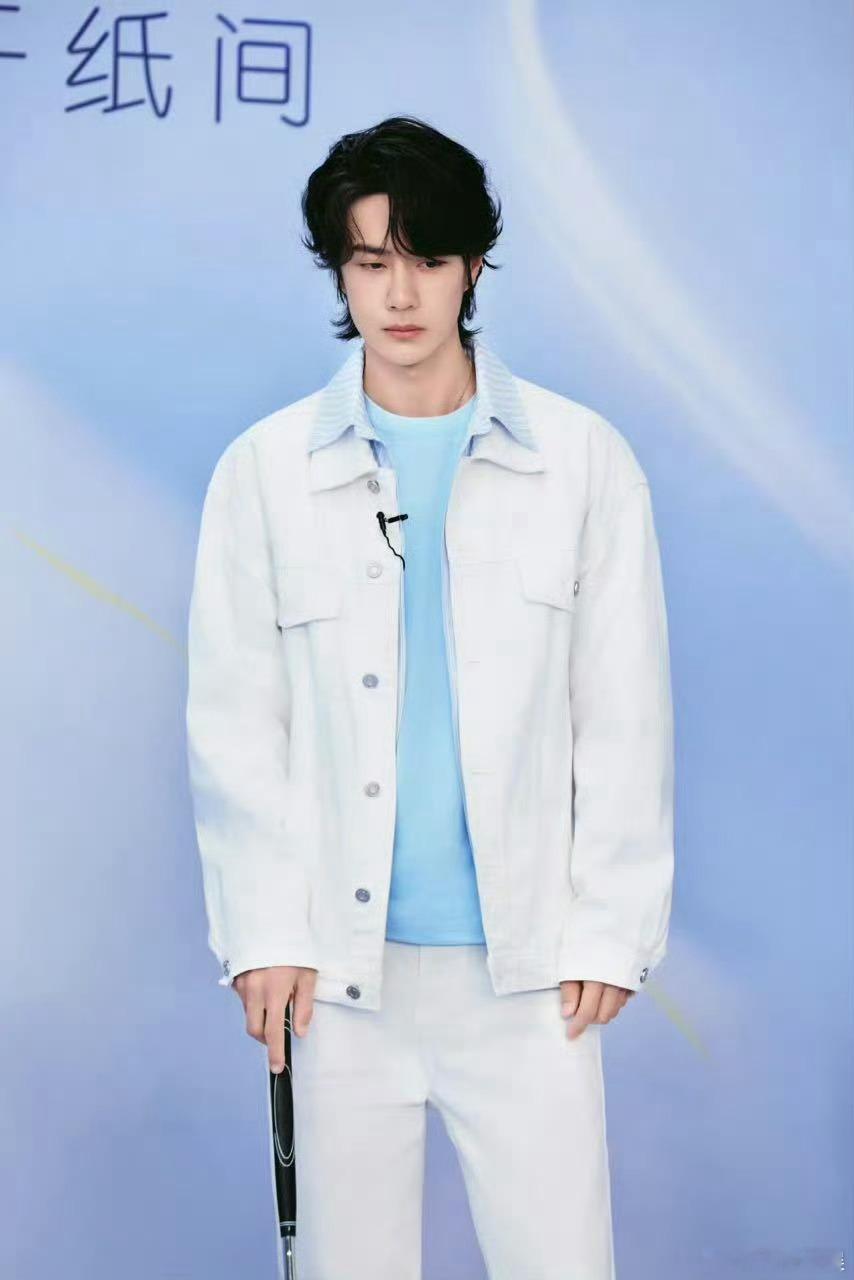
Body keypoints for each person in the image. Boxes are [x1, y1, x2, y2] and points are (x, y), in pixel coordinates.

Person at [185, 114, 675, 1280]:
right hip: (336, 976)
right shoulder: (264, 472)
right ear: (338, 272)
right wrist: (263, 931)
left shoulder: (580, 460)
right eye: (369, 261)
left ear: (473, 266)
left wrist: (610, 925)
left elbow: (623, 710)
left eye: (427, 258)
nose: (398, 294)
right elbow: (235, 722)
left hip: (529, 974)